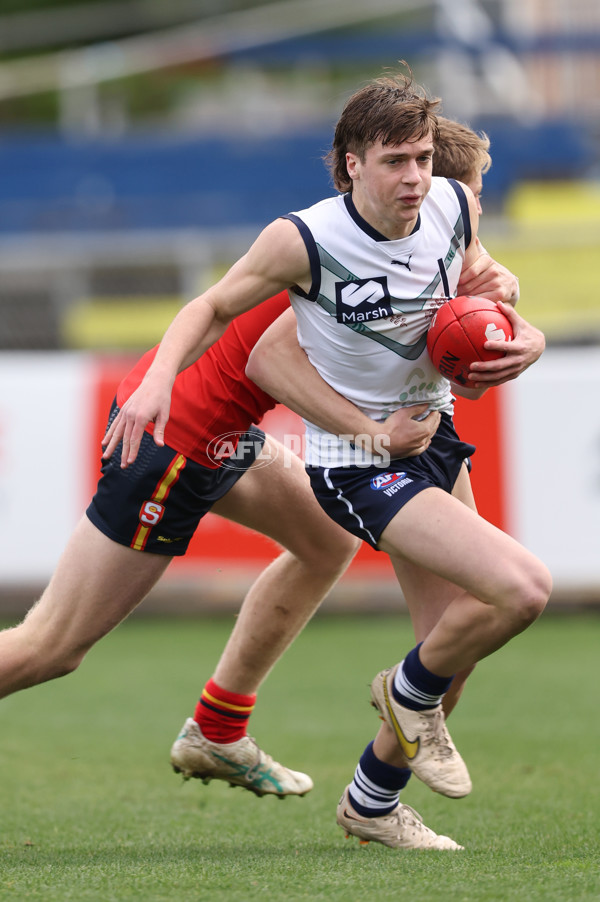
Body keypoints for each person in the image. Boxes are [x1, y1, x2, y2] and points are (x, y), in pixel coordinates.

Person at [0, 115, 521, 811]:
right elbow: (266, 354)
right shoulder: (346, 255)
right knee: (52, 646)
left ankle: (218, 728)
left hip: (226, 431)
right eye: (474, 192)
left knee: (324, 540)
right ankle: (307, 763)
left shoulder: (415, 249)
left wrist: (504, 311)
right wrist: (372, 436)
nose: (475, 208)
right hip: (175, 435)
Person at [103, 71, 551, 852]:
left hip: (433, 435)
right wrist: (153, 386)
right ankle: (401, 696)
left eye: (421, 159)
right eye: (394, 161)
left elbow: (478, 281)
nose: (414, 177)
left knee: (455, 646)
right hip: (356, 463)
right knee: (518, 591)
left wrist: (524, 330)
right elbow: (213, 310)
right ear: (350, 163)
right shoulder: (304, 240)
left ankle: (371, 804)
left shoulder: (454, 204)